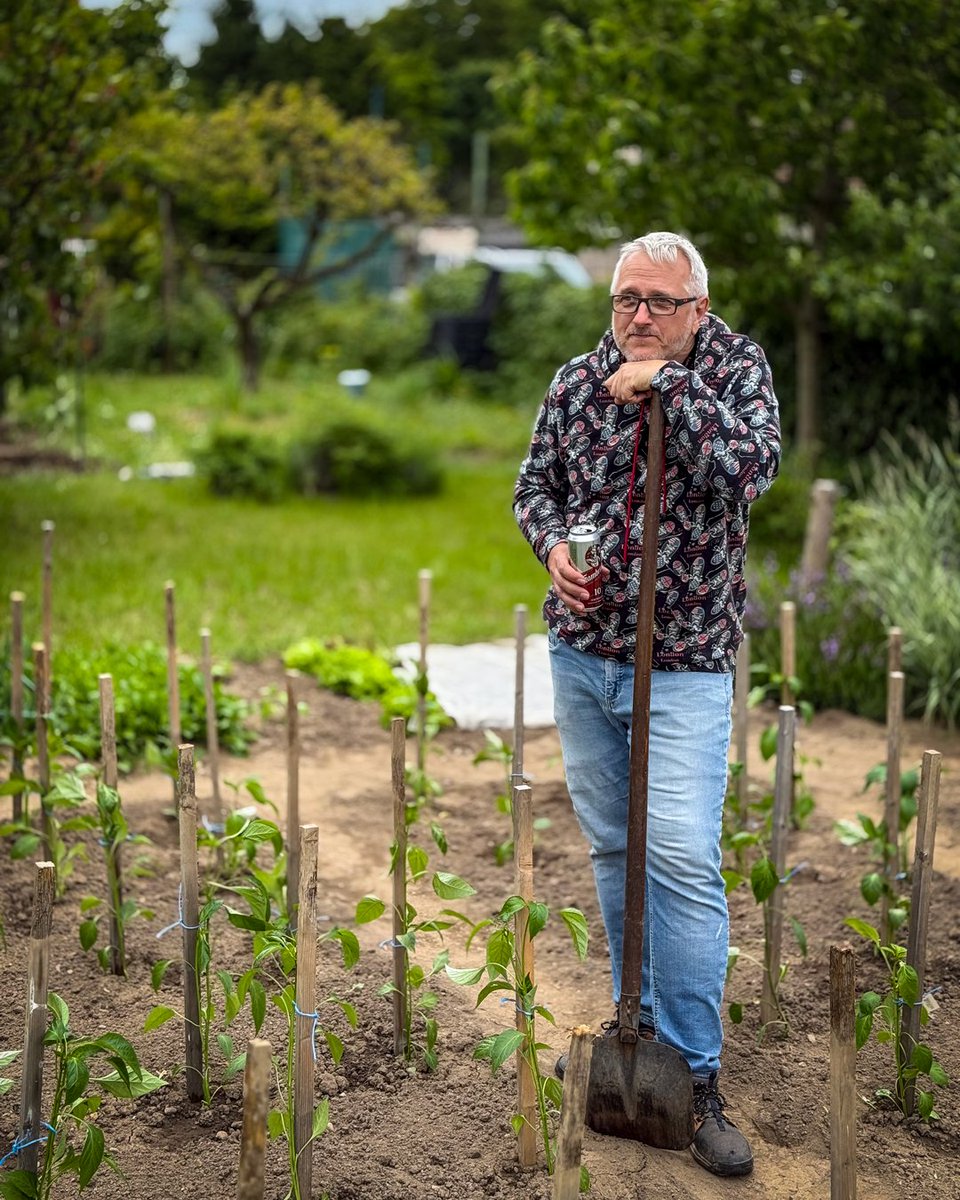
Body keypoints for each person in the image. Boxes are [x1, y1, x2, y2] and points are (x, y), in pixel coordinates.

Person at [513, 231, 780, 1178]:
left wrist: (667, 386)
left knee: (677, 853)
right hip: (585, 656)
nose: (640, 316)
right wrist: (551, 548)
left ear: (699, 309)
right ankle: (635, 1036)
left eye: (663, 302)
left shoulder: (737, 372)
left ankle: (697, 1078)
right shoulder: (576, 380)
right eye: (630, 298)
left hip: (685, 665)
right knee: (615, 844)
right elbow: (532, 489)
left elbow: (750, 469)